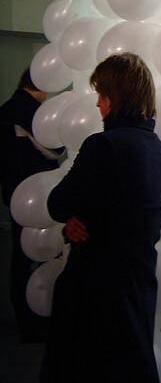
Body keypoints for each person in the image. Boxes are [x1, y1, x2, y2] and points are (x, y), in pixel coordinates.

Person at [40, 52, 161, 383]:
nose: (98, 104)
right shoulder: (157, 148)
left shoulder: (103, 146)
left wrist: (72, 216)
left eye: (102, 94)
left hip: (98, 289)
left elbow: (58, 203)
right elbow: (122, 211)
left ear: (116, 97)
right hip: (138, 285)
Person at [0, 68, 61, 342]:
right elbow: (53, 149)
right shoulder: (30, 111)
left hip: (14, 195)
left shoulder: (6, 108)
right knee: (40, 256)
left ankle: (26, 321)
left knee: (21, 259)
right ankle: (36, 320)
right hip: (37, 196)